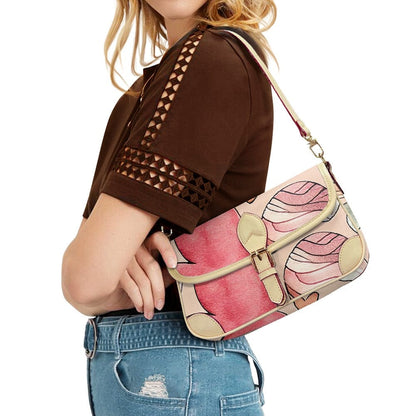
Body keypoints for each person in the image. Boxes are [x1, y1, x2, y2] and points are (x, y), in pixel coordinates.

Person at [61, 1, 278, 414]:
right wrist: (104, 266)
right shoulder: (155, 85)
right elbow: (88, 278)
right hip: (177, 372)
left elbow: (84, 281)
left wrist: (106, 267)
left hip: (177, 371)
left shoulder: (209, 61)